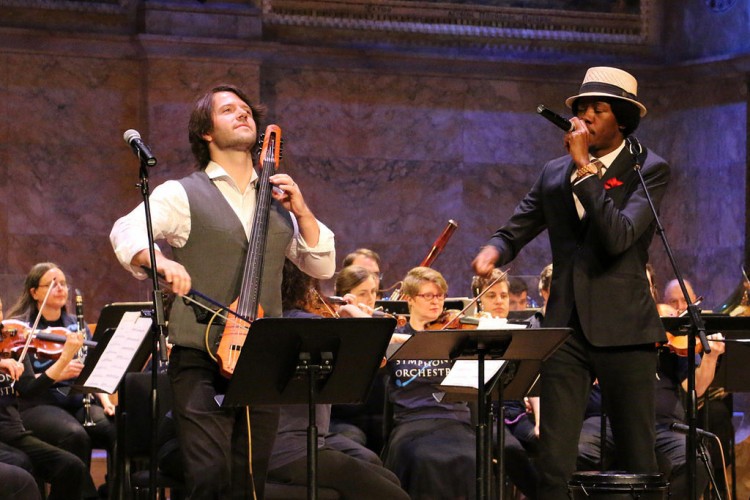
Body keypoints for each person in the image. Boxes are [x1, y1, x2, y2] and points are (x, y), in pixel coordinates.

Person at [110, 83, 336, 499]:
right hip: (198, 351)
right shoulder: (181, 193)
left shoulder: (277, 199)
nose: (243, 113)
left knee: (251, 476)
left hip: (262, 353)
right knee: (210, 474)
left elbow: (321, 263)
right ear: (206, 133)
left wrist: (302, 210)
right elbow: (126, 230)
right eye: (228, 109)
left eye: (246, 109)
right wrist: (161, 261)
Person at [472, 66, 670, 499]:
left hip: (626, 332)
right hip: (564, 329)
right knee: (553, 460)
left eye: (599, 111)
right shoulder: (553, 173)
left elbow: (618, 236)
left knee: (638, 455)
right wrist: (493, 251)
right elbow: (514, 230)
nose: (586, 119)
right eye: (582, 110)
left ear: (622, 119)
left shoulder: (647, 168)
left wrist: (585, 169)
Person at [264, 259, 409, 499]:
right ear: (304, 287)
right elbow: (375, 356)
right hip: (292, 448)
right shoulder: (310, 325)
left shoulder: (271, 322)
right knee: (394, 495)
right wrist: (353, 315)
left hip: (295, 442)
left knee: (385, 480)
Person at [7, 263, 114, 498]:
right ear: (34, 292)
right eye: (52, 284)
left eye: (63, 284)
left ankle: (114, 491)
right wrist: (60, 368)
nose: (60, 289)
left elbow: (93, 367)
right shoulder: (21, 330)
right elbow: (24, 383)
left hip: (76, 397)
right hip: (40, 401)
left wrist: (105, 401)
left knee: (112, 429)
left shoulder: (77, 326)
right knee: (75, 435)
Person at [381, 266, 476, 499]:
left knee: (472, 457)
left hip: (454, 418)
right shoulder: (393, 337)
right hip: (413, 419)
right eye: (428, 296)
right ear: (410, 300)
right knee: (421, 457)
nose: (436, 302)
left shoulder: (456, 336)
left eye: (440, 295)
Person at [0, 299, 88, 499]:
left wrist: (65, 358)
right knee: (22, 464)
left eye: (0, 310)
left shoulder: (11, 343)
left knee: (72, 467)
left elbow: (29, 388)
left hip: (12, 431)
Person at [471, 269, 538, 499]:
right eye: (492, 296)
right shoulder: (471, 332)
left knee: (551, 444)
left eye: (503, 295)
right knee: (510, 449)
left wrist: (539, 422)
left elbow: (533, 380)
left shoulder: (521, 332)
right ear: (478, 301)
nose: (499, 301)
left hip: (516, 412)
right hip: (485, 415)